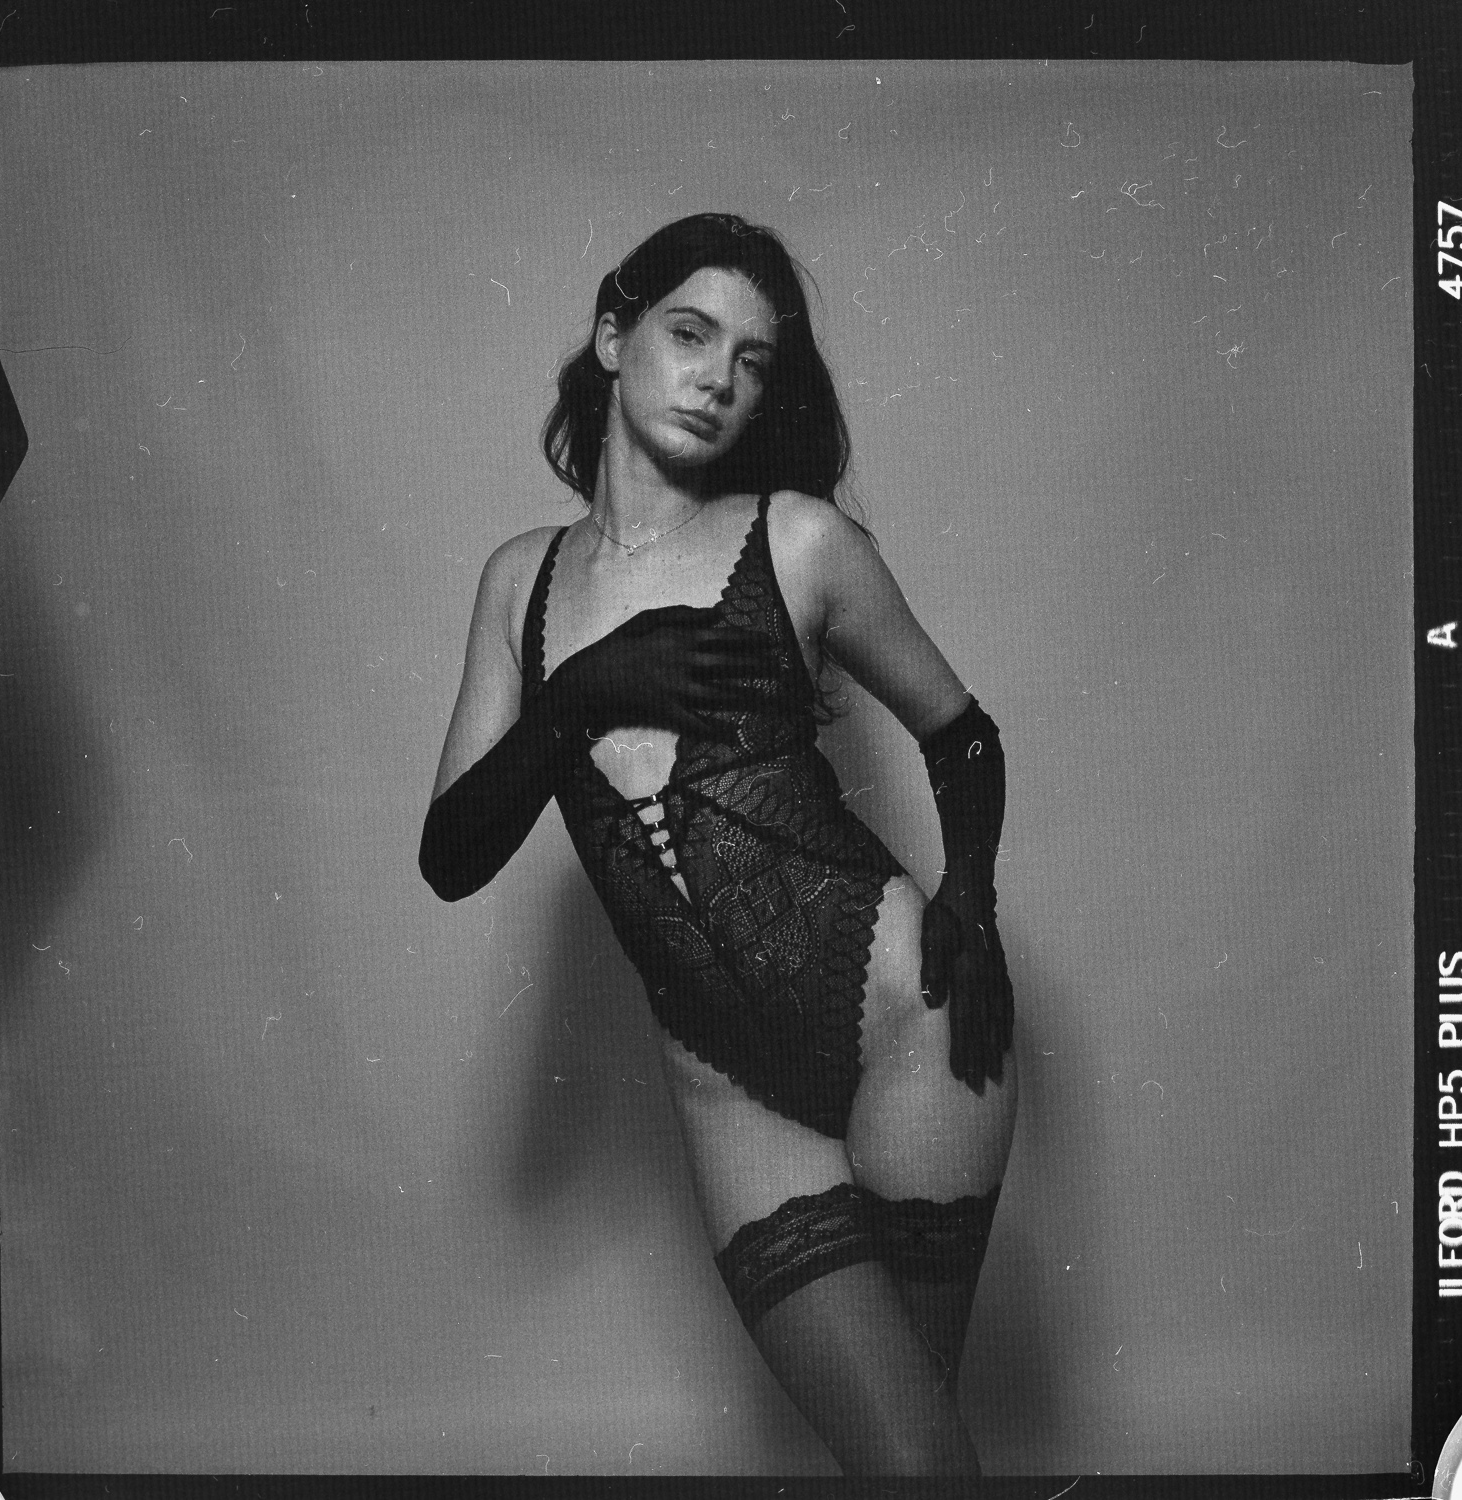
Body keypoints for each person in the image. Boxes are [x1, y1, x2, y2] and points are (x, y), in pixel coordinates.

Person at [419, 213, 1018, 1476]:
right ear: (613, 335)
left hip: (907, 1026)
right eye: (691, 335)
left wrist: (971, 894)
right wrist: (584, 692)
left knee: (916, 1465)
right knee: (904, 1459)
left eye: (752, 362)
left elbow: (961, 734)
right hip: (733, 1093)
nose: (718, 381)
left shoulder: (795, 539)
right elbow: (452, 855)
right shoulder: (519, 582)